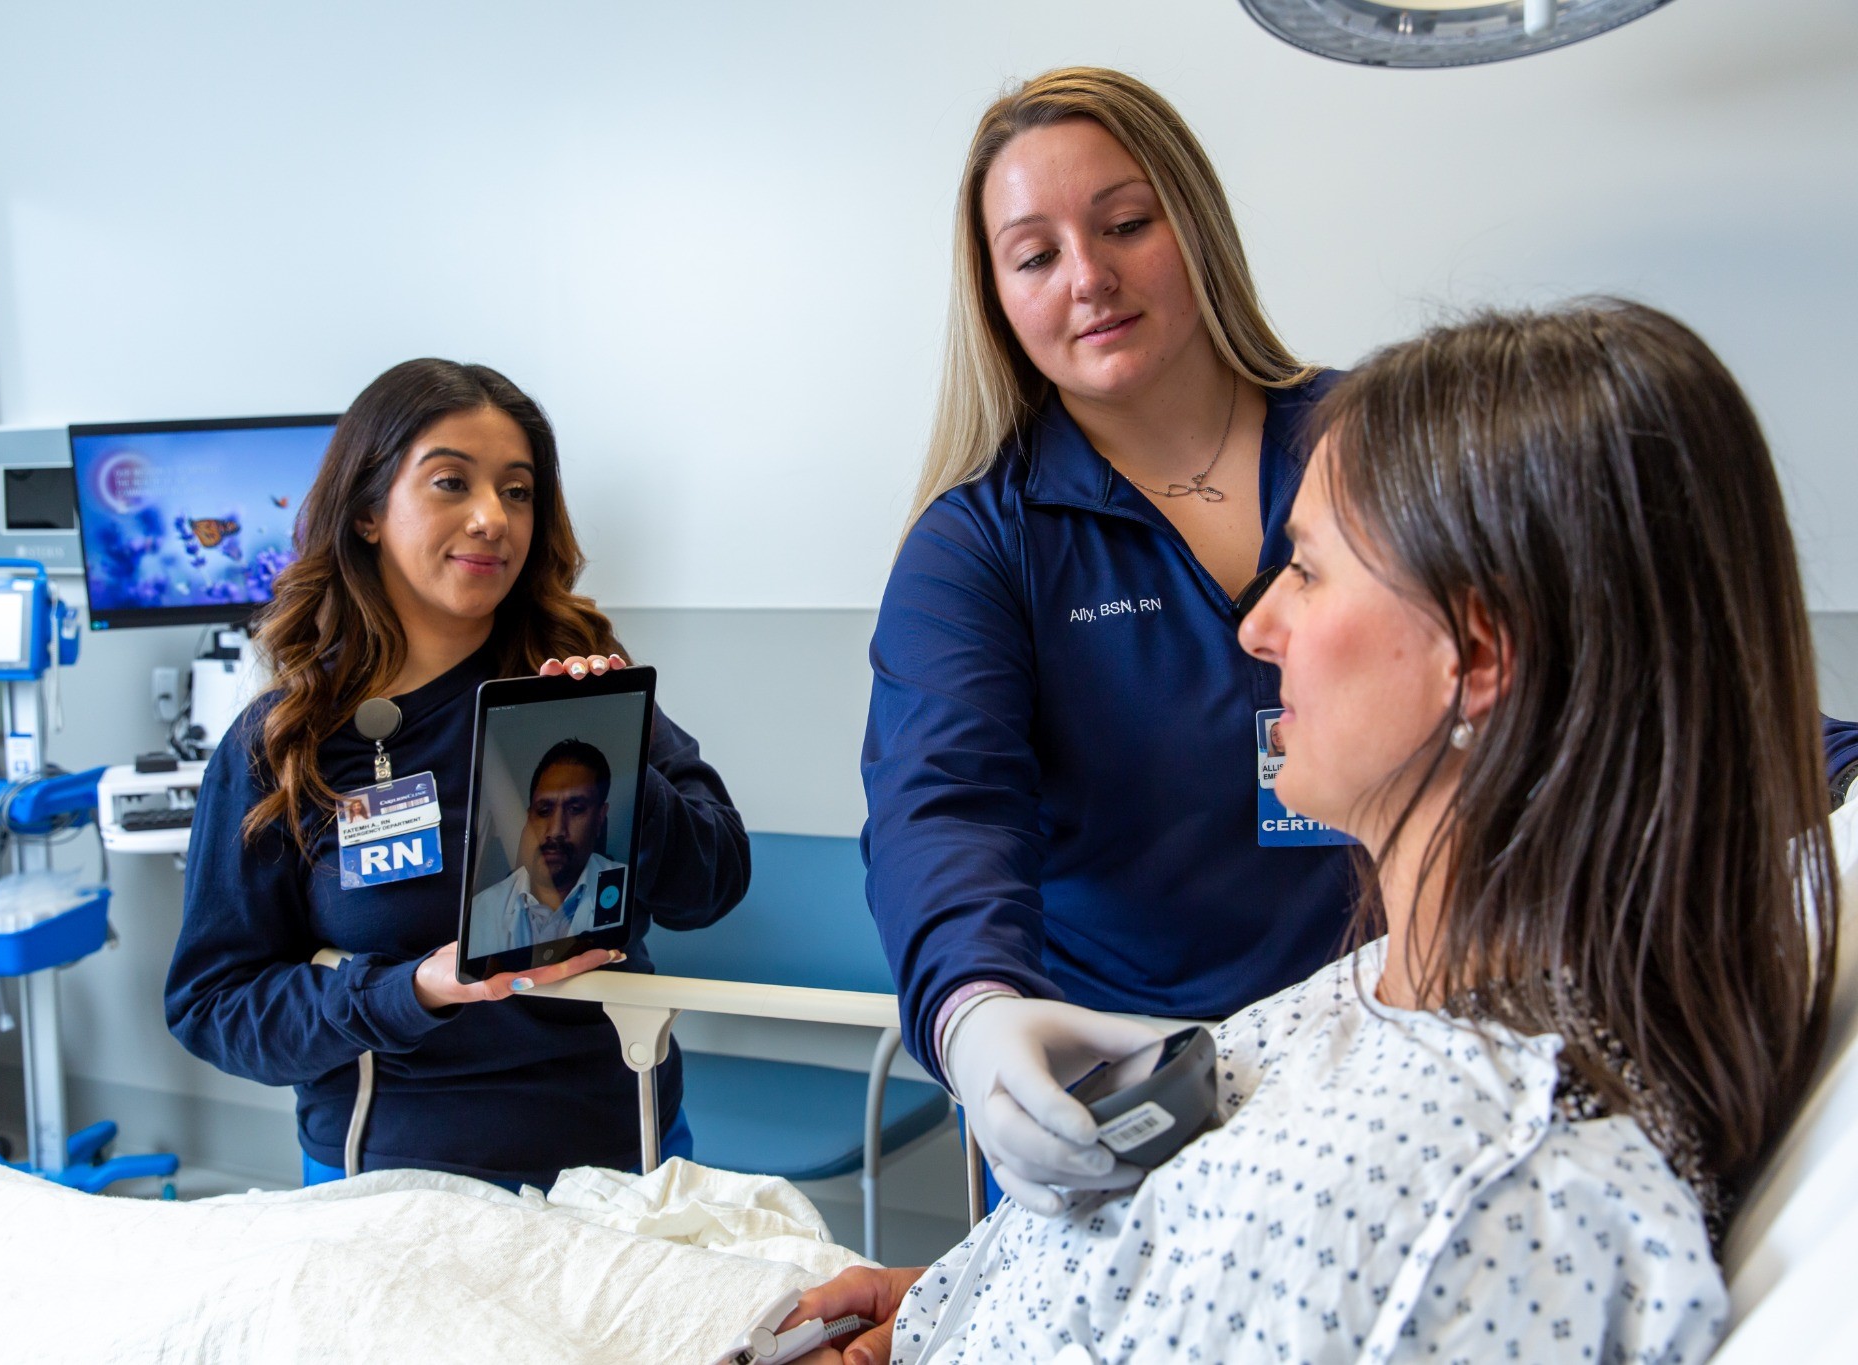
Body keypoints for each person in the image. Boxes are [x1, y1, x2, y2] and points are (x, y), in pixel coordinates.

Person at [861, 66, 1858, 1215]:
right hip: (1149, 1086)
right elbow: (939, 806)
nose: (1088, 277)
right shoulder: (980, 546)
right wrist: (974, 1011)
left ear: (1195, 225)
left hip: (1407, 1044)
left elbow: (1606, 654)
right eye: (1034, 256)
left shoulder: (1372, 444)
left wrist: (1832, 767)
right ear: (992, 295)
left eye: (1125, 223)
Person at [797, 298, 1837, 1365]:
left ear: (1474, 657)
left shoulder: (1478, 1211)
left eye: (1303, 567)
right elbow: (941, 797)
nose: (1251, 628)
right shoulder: (1387, 991)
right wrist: (947, 1301)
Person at [165, 358, 749, 1189]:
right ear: (368, 512)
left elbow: (714, 884)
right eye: (451, 483)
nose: (492, 518)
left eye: (517, 491)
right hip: (391, 1185)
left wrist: (613, 765)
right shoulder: (285, 741)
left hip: (621, 1166)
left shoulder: (580, 683)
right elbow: (213, 1004)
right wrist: (412, 991)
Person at [469, 737, 629, 951]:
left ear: (600, 817)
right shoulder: (481, 910)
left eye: (576, 809)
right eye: (544, 811)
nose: (555, 831)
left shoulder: (628, 888)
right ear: (529, 818)